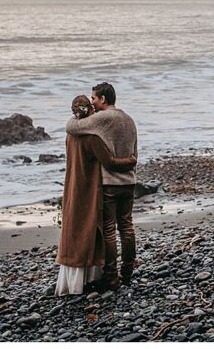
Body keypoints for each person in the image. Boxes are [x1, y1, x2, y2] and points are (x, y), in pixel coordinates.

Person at [55, 94, 136, 296]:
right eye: (90, 102)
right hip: (116, 184)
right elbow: (114, 158)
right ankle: (125, 274)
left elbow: (71, 127)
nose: (93, 104)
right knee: (125, 226)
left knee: (106, 230)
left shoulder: (75, 134)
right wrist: (131, 161)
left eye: (94, 98)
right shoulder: (122, 122)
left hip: (92, 186)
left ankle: (111, 276)